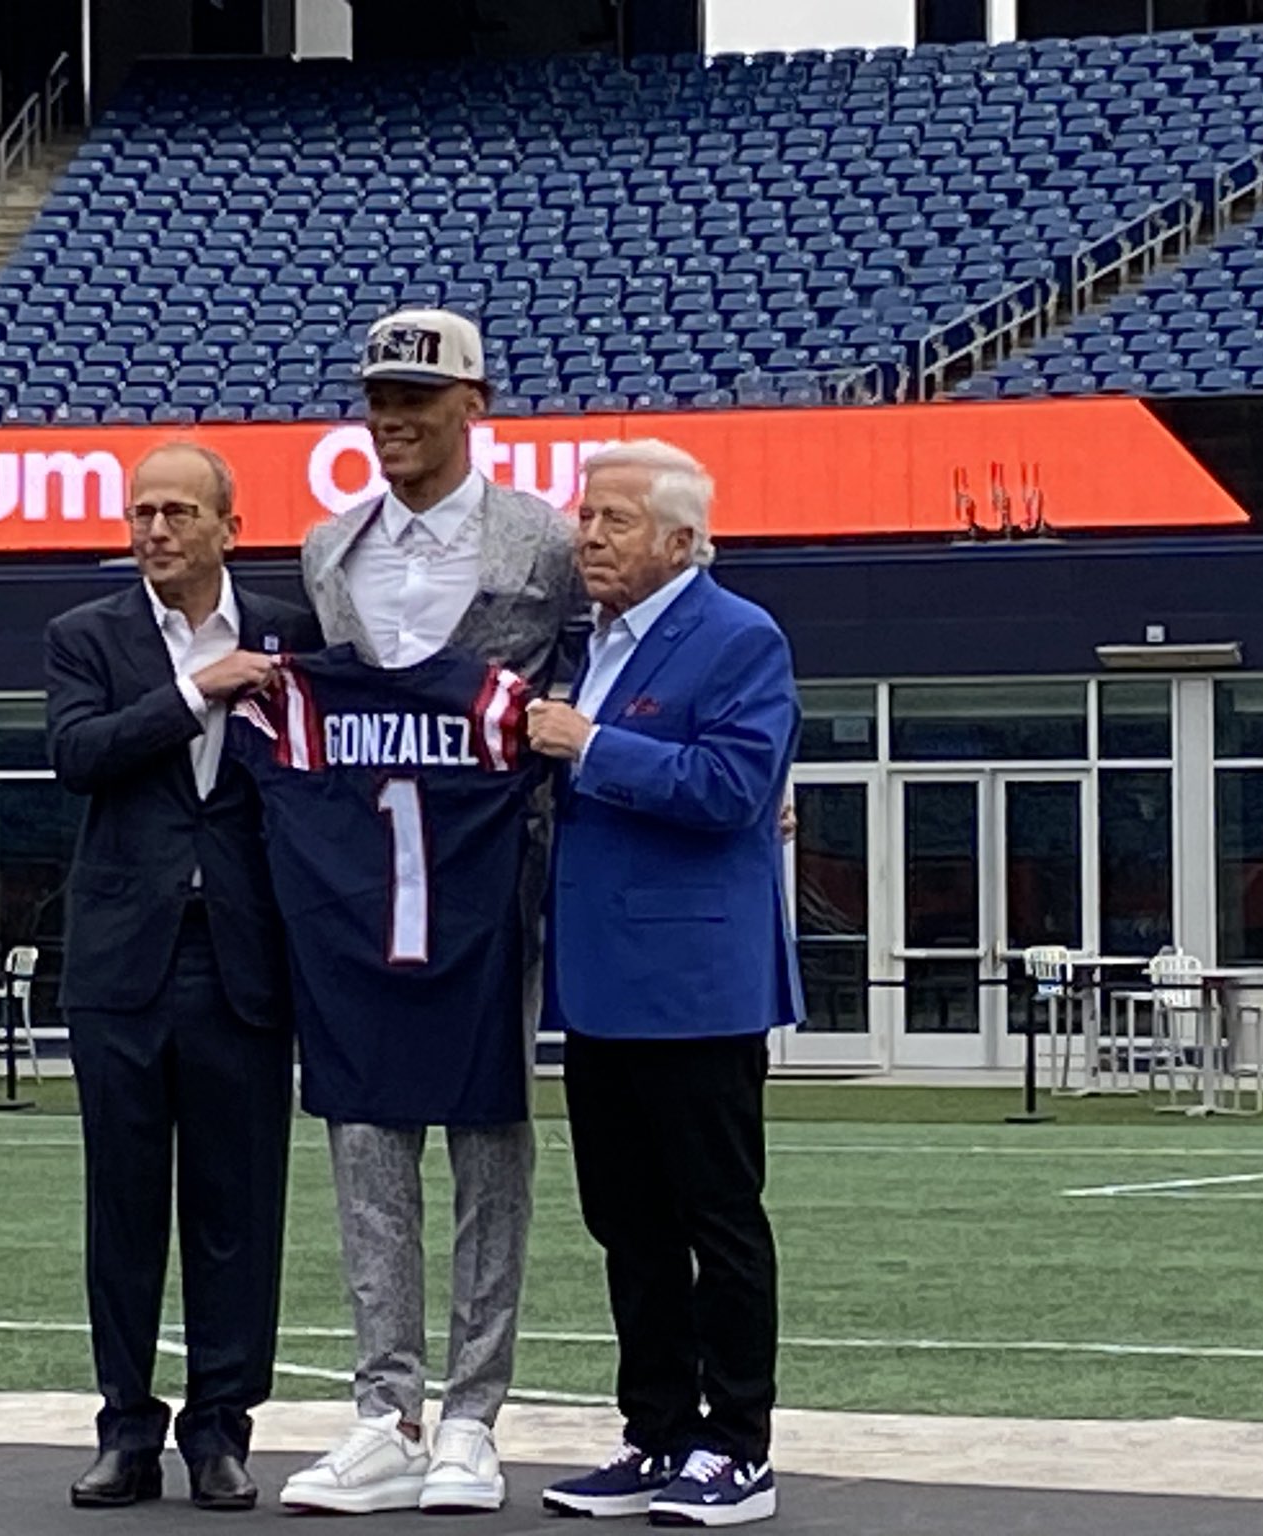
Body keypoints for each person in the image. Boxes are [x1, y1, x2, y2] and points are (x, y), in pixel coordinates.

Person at [280, 308, 582, 1515]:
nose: (391, 418)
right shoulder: (325, 548)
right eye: (375, 397)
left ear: (473, 400)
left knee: (489, 1140)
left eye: (416, 394)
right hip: (363, 888)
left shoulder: (548, 544)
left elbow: (604, 676)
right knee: (362, 1139)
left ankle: (472, 1412)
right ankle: (381, 1409)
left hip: (492, 883)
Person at [527, 440, 803, 1528]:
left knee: (715, 1221)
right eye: (585, 517)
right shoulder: (584, 643)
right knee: (625, 1222)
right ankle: (653, 1432)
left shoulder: (737, 637)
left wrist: (588, 744)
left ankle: (735, 1447)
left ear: (681, 541)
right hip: (600, 982)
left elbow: (732, 788)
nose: (587, 536)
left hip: (695, 982)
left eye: (615, 520)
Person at [46, 443, 320, 1512]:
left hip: (240, 961)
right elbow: (79, 755)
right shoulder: (87, 637)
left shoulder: (287, 635)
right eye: (139, 513)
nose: (153, 530)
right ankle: (124, 1428)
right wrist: (192, 691)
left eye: (175, 512)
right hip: (120, 966)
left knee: (235, 1210)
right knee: (121, 1209)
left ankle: (220, 1431)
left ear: (226, 526)